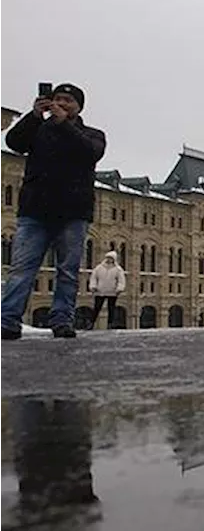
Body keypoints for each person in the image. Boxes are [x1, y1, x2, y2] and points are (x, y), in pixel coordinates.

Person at [0, 84, 106, 339]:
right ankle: (7, 321)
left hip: (73, 213)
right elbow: (14, 142)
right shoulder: (38, 130)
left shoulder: (92, 134)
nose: (61, 104)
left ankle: (61, 321)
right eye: (57, 99)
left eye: (68, 100)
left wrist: (63, 125)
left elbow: (90, 153)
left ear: (79, 107)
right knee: (22, 268)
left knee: (68, 272)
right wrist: (34, 116)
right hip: (34, 212)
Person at [87, 251, 126, 329]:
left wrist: (119, 289)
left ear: (114, 259)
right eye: (108, 258)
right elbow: (93, 277)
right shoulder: (99, 267)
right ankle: (91, 323)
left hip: (112, 291)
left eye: (111, 258)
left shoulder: (118, 269)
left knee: (111, 308)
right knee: (97, 307)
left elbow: (121, 280)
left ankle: (110, 324)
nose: (109, 259)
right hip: (100, 291)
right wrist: (93, 286)